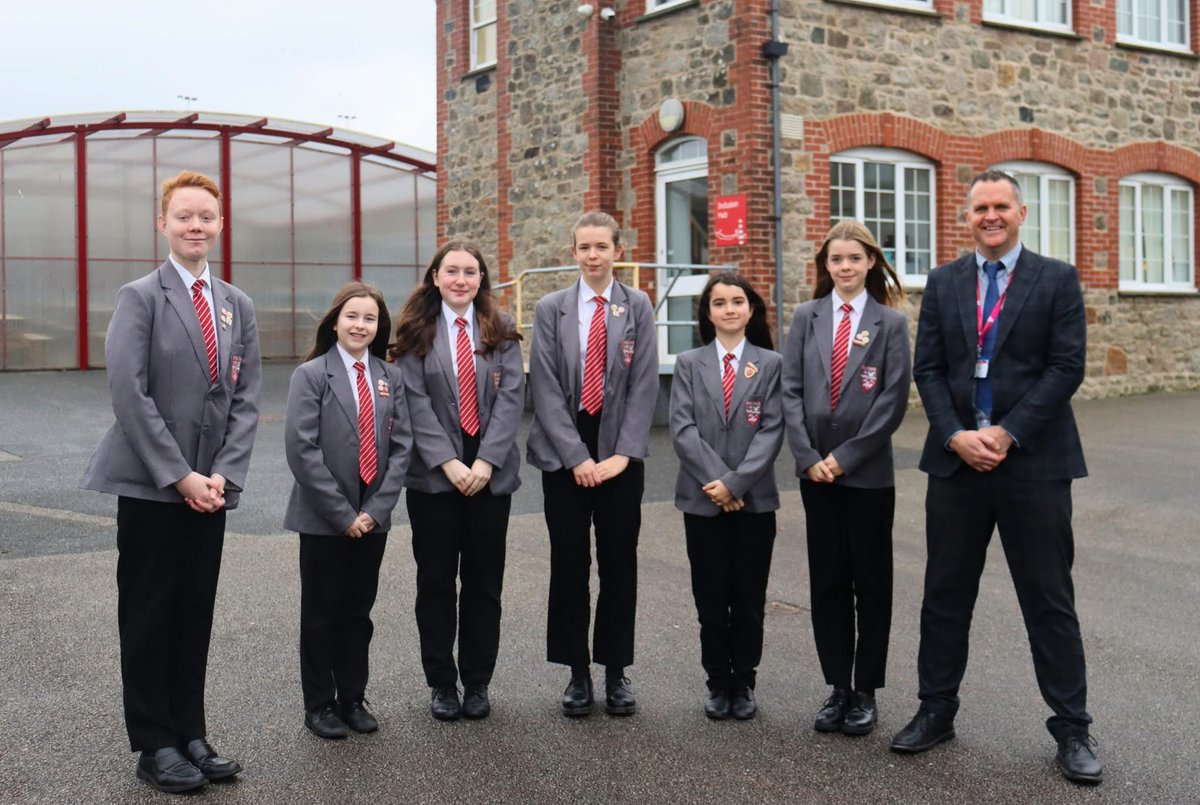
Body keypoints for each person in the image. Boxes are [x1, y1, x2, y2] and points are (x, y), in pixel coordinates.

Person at [890, 170, 1101, 785]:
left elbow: (1066, 367)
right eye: (980, 207)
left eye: (1000, 206)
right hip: (957, 462)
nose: (990, 216)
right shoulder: (947, 281)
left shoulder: (1056, 279)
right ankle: (936, 709)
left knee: (1049, 599)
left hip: (1033, 463)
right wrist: (956, 433)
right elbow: (927, 368)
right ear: (967, 216)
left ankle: (1072, 727)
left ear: (1021, 212)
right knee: (945, 595)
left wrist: (1005, 433)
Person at [80, 170, 261, 793]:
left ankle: (190, 732)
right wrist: (180, 475)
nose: (195, 226)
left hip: (209, 491)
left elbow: (245, 400)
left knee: (194, 614)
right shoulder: (141, 297)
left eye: (206, 217)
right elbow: (129, 396)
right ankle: (154, 743)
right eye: (184, 216)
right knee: (151, 613)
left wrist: (221, 476)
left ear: (219, 224)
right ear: (163, 224)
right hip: (154, 486)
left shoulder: (238, 305)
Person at [526, 211, 658, 717]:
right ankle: (577, 672)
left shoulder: (638, 305)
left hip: (621, 449)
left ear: (617, 251)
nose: (593, 255)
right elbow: (546, 387)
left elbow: (645, 383)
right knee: (570, 563)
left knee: (619, 563)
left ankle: (615, 671)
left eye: (602, 246)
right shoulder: (551, 308)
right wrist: (577, 457)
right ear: (574, 252)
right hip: (565, 452)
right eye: (584, 247)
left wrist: (622, 454)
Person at [782, 221, 911, 736]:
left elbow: (892, 400)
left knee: (871, 583)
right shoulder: (805, 317)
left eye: (855, 258)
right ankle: (837, 686)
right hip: (816, 474)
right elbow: (790, 391)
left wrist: (847, 456)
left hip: (867, 475)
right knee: (829, 581)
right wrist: (810, 455)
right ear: (826, 266)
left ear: (871, 262)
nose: (845, 267)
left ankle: (866, 691)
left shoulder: (890, 324)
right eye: (836, 259)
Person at [390, 242, 524, 721]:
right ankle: (442, 682)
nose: (461, 279)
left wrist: (486, 462)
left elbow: (511, 398)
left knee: (484, 584)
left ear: (481, 278)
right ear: (435, 276)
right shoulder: (415, 331)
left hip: (490, 477)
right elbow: (413, 402)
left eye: (471, 271)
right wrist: (448, 461)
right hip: (434, 480)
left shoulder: (501, 329)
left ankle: (478, 682)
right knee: (436, 583)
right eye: (452, 271)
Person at [283, 282, 411, 740]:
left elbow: (401, 448)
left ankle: (352, 698)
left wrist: (375, 511)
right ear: (335, 321)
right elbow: (302, 449)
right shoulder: (312, 375)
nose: (360, 325)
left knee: (358, 613)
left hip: (372, 519)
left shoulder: (389, 377)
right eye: (352, 316)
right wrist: (342, 514)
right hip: (323, 519)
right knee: (321, 613)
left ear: (380, 327)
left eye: (370, 318)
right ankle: (319, 705)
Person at [670, 272, 783, 721]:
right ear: (708, 313)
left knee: (749, 597)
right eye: (719, 303)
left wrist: (737, 484)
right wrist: (719, 482)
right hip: (703, 499)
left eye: (738, 301)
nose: (730, 309)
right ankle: (718, 681)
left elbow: (772, 429)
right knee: (711, 596)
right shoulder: (688, 363)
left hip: (754, 501)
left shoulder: (771, 363)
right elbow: (682, 430)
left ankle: (745, 681)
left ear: (750, 309)